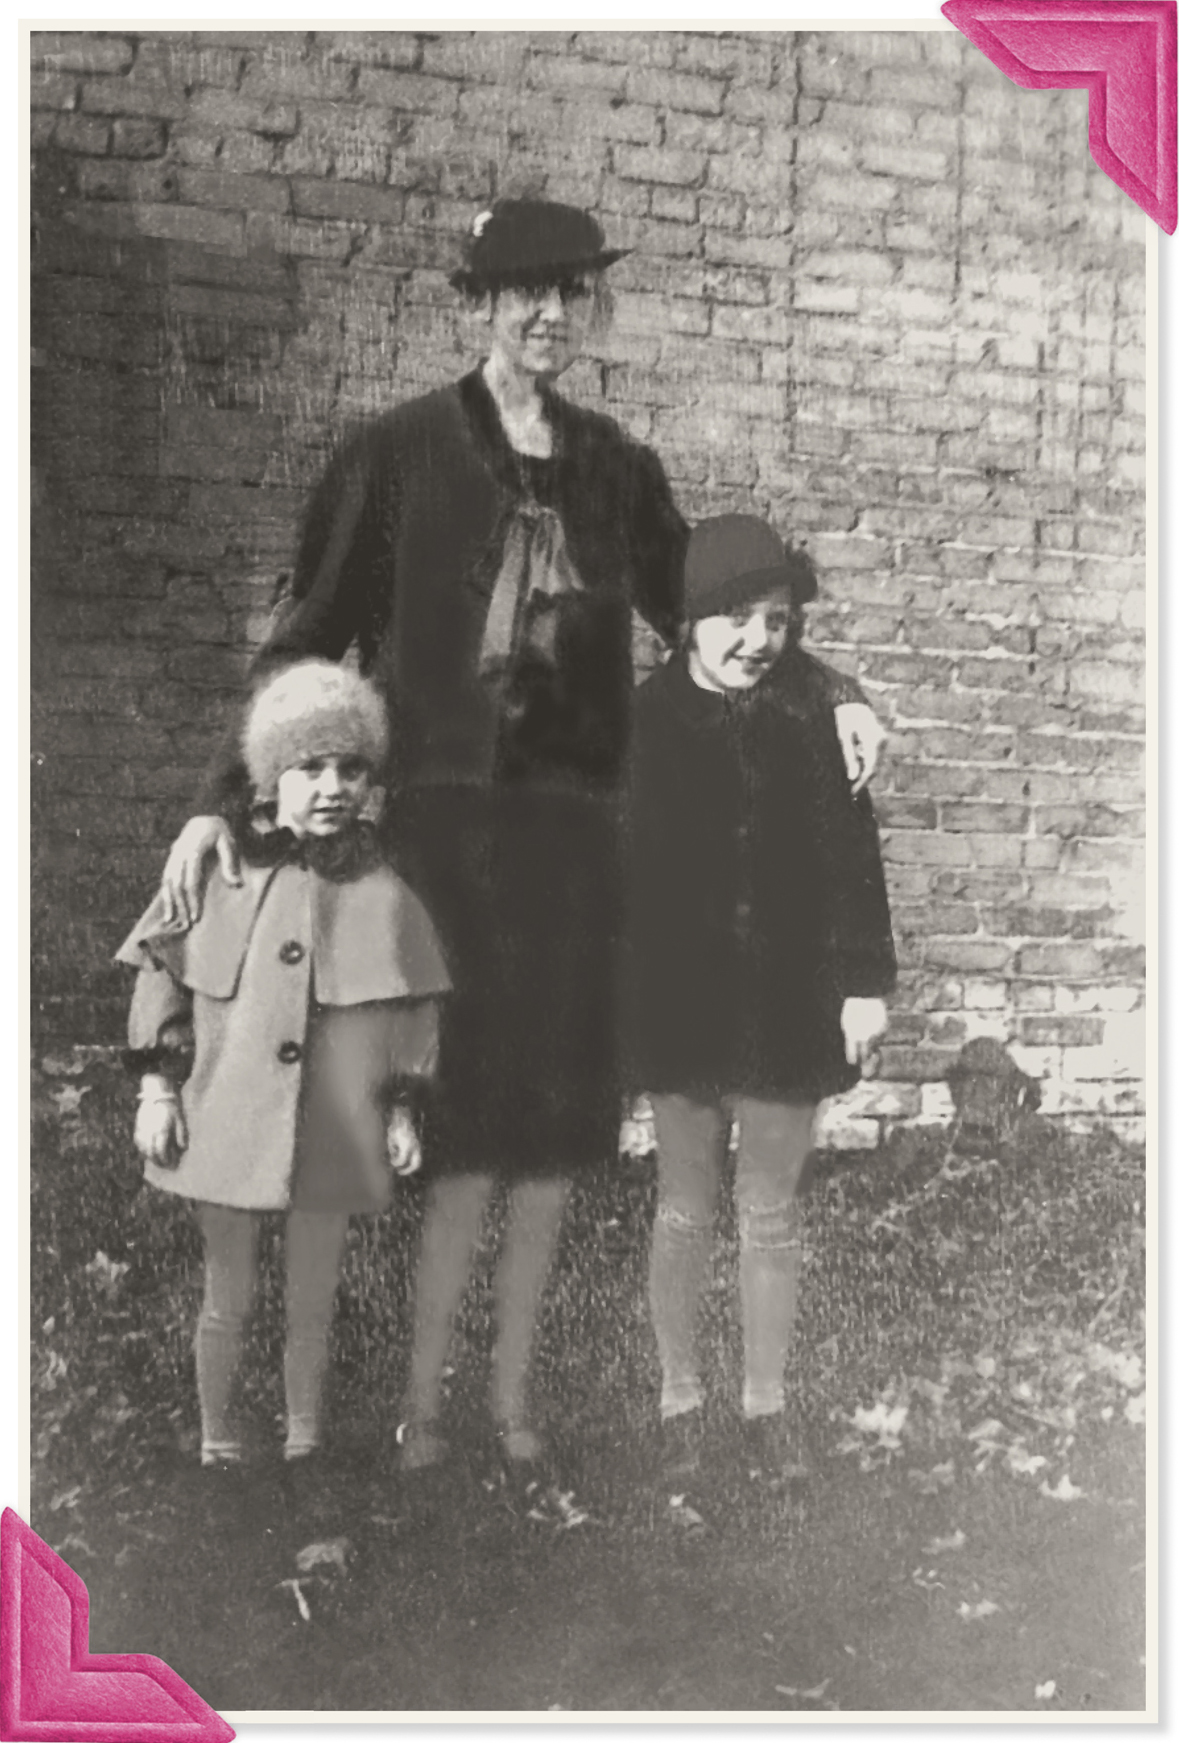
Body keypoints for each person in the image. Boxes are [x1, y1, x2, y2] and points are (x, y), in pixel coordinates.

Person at [153, 199, 885, 1498]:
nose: (548, 314)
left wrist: (833, 693)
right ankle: (410, 1408)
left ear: (588, 307)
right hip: (434, 850)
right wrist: (227, 791)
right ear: (475, 303)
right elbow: (313, 632)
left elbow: (709, 613)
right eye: (519, 291)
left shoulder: (616, 466)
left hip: (567, 853)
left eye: (569, 292)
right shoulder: (393, 457)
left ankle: (518, 1400)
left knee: (547, 1138)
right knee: (426, 1123)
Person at [118, 661, 450, 1496]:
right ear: (268, 778)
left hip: (333, 1125)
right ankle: (219, 1440)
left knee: (314, 1287)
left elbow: (413, 1012)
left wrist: (402, 1108)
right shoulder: (219, 872)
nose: (332, 788)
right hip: (227, 1117)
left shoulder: (385, 890)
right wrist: (158, 1087)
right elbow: (160, 972)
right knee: (225, 1290)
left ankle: (305, 1438)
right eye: (309, 769)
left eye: (351, 769)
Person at [624, 515, 897, 1495]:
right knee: (687, 1210)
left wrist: (864, 988)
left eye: (778, 621)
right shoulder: (639, 726)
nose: (757, 641)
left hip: (789, 1005)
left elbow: (853, 867)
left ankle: (767, 1406)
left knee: (770, 1215)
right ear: (690, 619)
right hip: (676, 1007)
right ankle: (680, 1402)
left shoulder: (814, 720)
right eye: (735, 618)